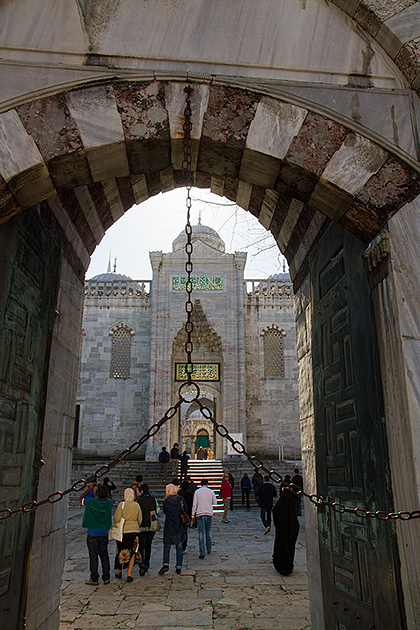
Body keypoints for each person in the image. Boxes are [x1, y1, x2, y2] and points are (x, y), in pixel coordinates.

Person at [82, 484, 112, 585]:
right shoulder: (109, 503)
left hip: (92, 532)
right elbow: (109, 498)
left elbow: (81, 499)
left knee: (93, 556)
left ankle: (94, 578)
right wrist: (104, 491)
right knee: (104, 555)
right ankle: (106, 577)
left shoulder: (90, 502)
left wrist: (89, 489)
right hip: (103, 532)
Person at [114, 488, 143, 582]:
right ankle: (129, 574)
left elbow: (117, 518)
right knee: (132, 552)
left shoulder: (122, 505)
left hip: (123, 531)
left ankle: (119, 570)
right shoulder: (136, 505)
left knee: (121, 551)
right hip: (134, 531)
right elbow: (140, 519)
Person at [272, 486, 300, 575]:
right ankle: (289, 565)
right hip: (292, 529)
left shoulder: (280, 504)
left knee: (281, 546)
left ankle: (281, 566)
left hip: (281, 528)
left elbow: (275, 512)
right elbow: (297, 500)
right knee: (290, 547)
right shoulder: (294, 503)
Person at [159, 484, 186, 575]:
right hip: (178, 525)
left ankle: (166, 563)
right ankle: (179, 566)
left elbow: (165, 511)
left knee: (167, 545)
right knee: (179, 546)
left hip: (169, 525)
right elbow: (185, 509)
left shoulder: (166, 501)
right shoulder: (180, 499)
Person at [191, 479, 218, 559]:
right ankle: (209, 548)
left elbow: (194, 504)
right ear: (207, 484)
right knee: (208, 531)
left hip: (200, 513)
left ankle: (202, 552)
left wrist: (193, 515)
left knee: (201, 533)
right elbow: (215, 502)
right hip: (209, 513)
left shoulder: (197, 492)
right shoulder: (211, 491)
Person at [137, 483, 160, 576]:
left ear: (142, 491)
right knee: (148, 545)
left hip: (141, 526)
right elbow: (158, 511)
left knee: (141, 546)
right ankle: (147, 563)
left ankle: (141, 563)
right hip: (151, 525)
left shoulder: (139, 501)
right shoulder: (153, 500)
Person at [178, 480, 193, 551]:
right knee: (185, 531)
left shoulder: (178, 495)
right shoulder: (189, 495)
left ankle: (179, 544)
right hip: (187, 515)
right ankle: (183, 546)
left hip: (178, 515)